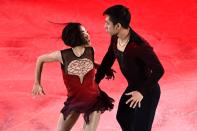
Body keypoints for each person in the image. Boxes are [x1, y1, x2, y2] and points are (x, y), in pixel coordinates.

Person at [32, 22, 114, 131]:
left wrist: (104, 69)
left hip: (94, 100)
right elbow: (40, 59)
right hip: (74, 101)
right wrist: (37, 83)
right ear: (75, 36)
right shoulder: (62, 55)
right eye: (83, 32)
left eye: (86, 32)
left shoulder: (90, 50)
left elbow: (90, 62)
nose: (87, 34)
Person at [95, 5, 165, 131]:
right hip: (133, 86)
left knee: (141, 128)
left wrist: (141, 92)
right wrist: (95, 82)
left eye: (107, 23)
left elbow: (159, 70)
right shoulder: (115, 38)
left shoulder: (139, 46)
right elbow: (108, 59)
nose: (105, 26)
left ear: (117, 26)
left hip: (148, 91)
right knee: (123, 117)